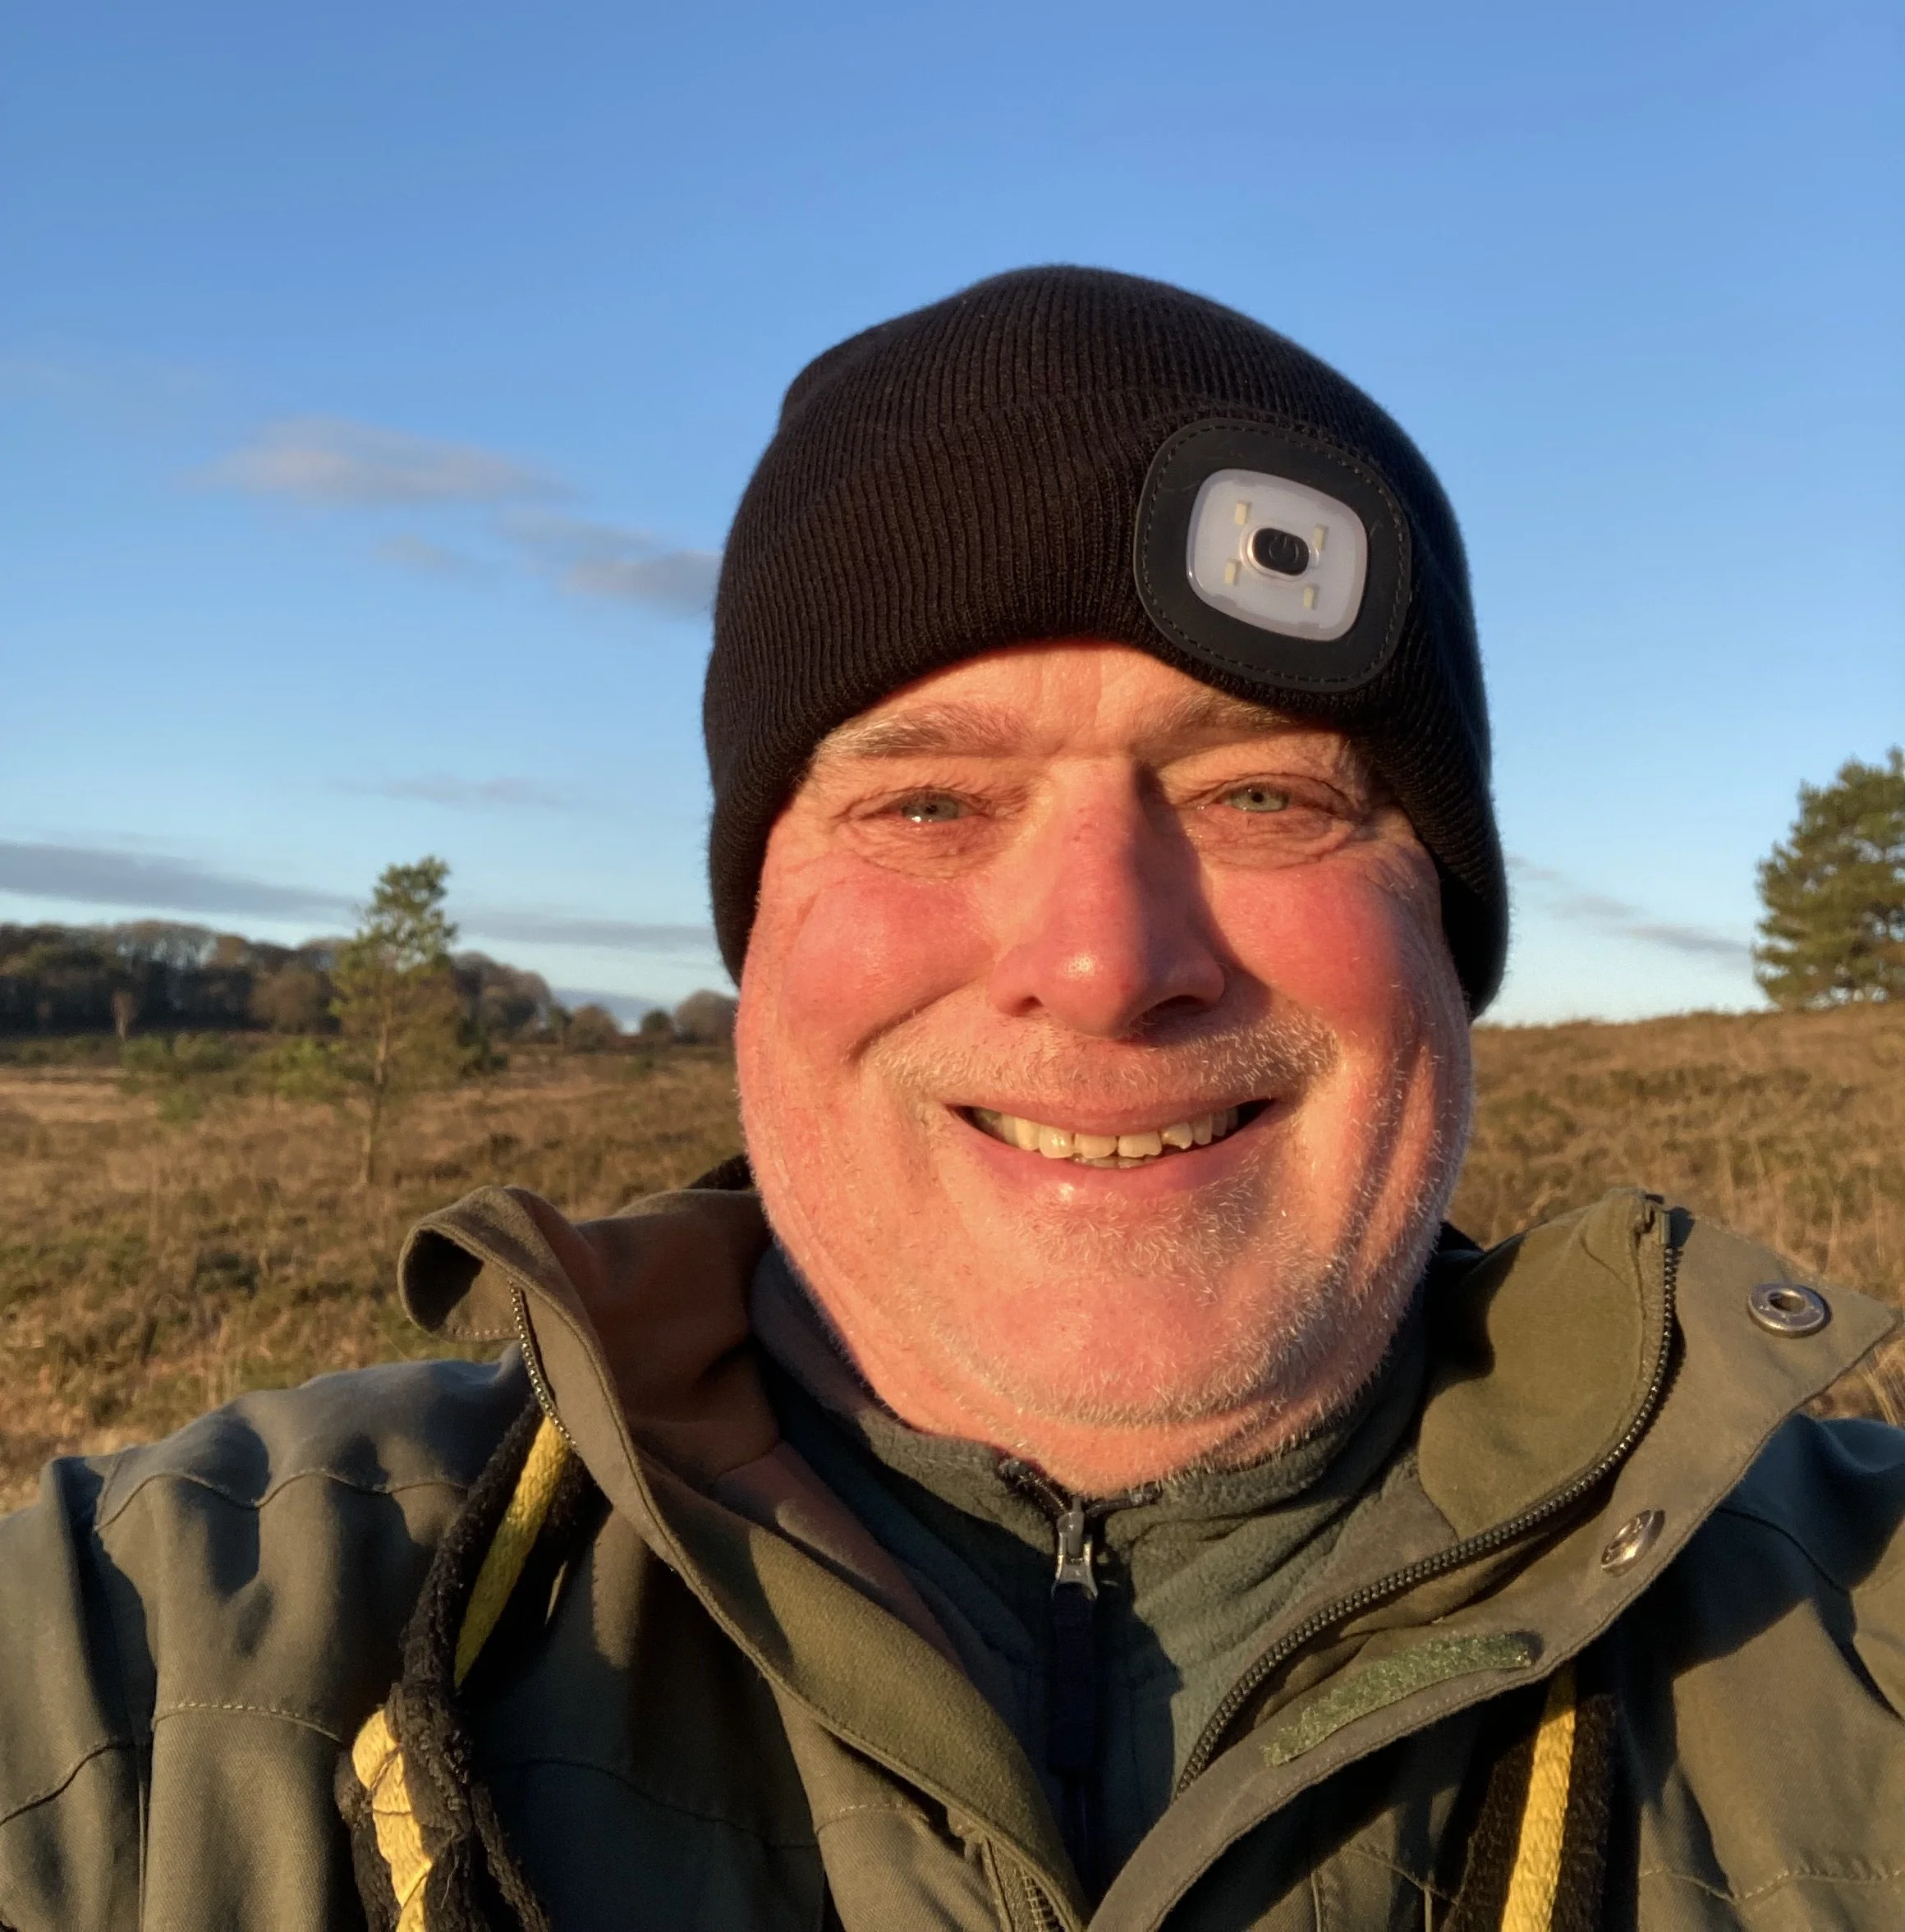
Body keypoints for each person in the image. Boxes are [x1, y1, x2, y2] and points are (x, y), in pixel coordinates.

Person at [3, 267, 1902, 1932]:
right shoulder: (160, 1655)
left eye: (1263, 796)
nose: (1098, 956)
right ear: (762, 929)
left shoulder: (1859, 1645)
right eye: (928, 801)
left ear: (1441, 927)